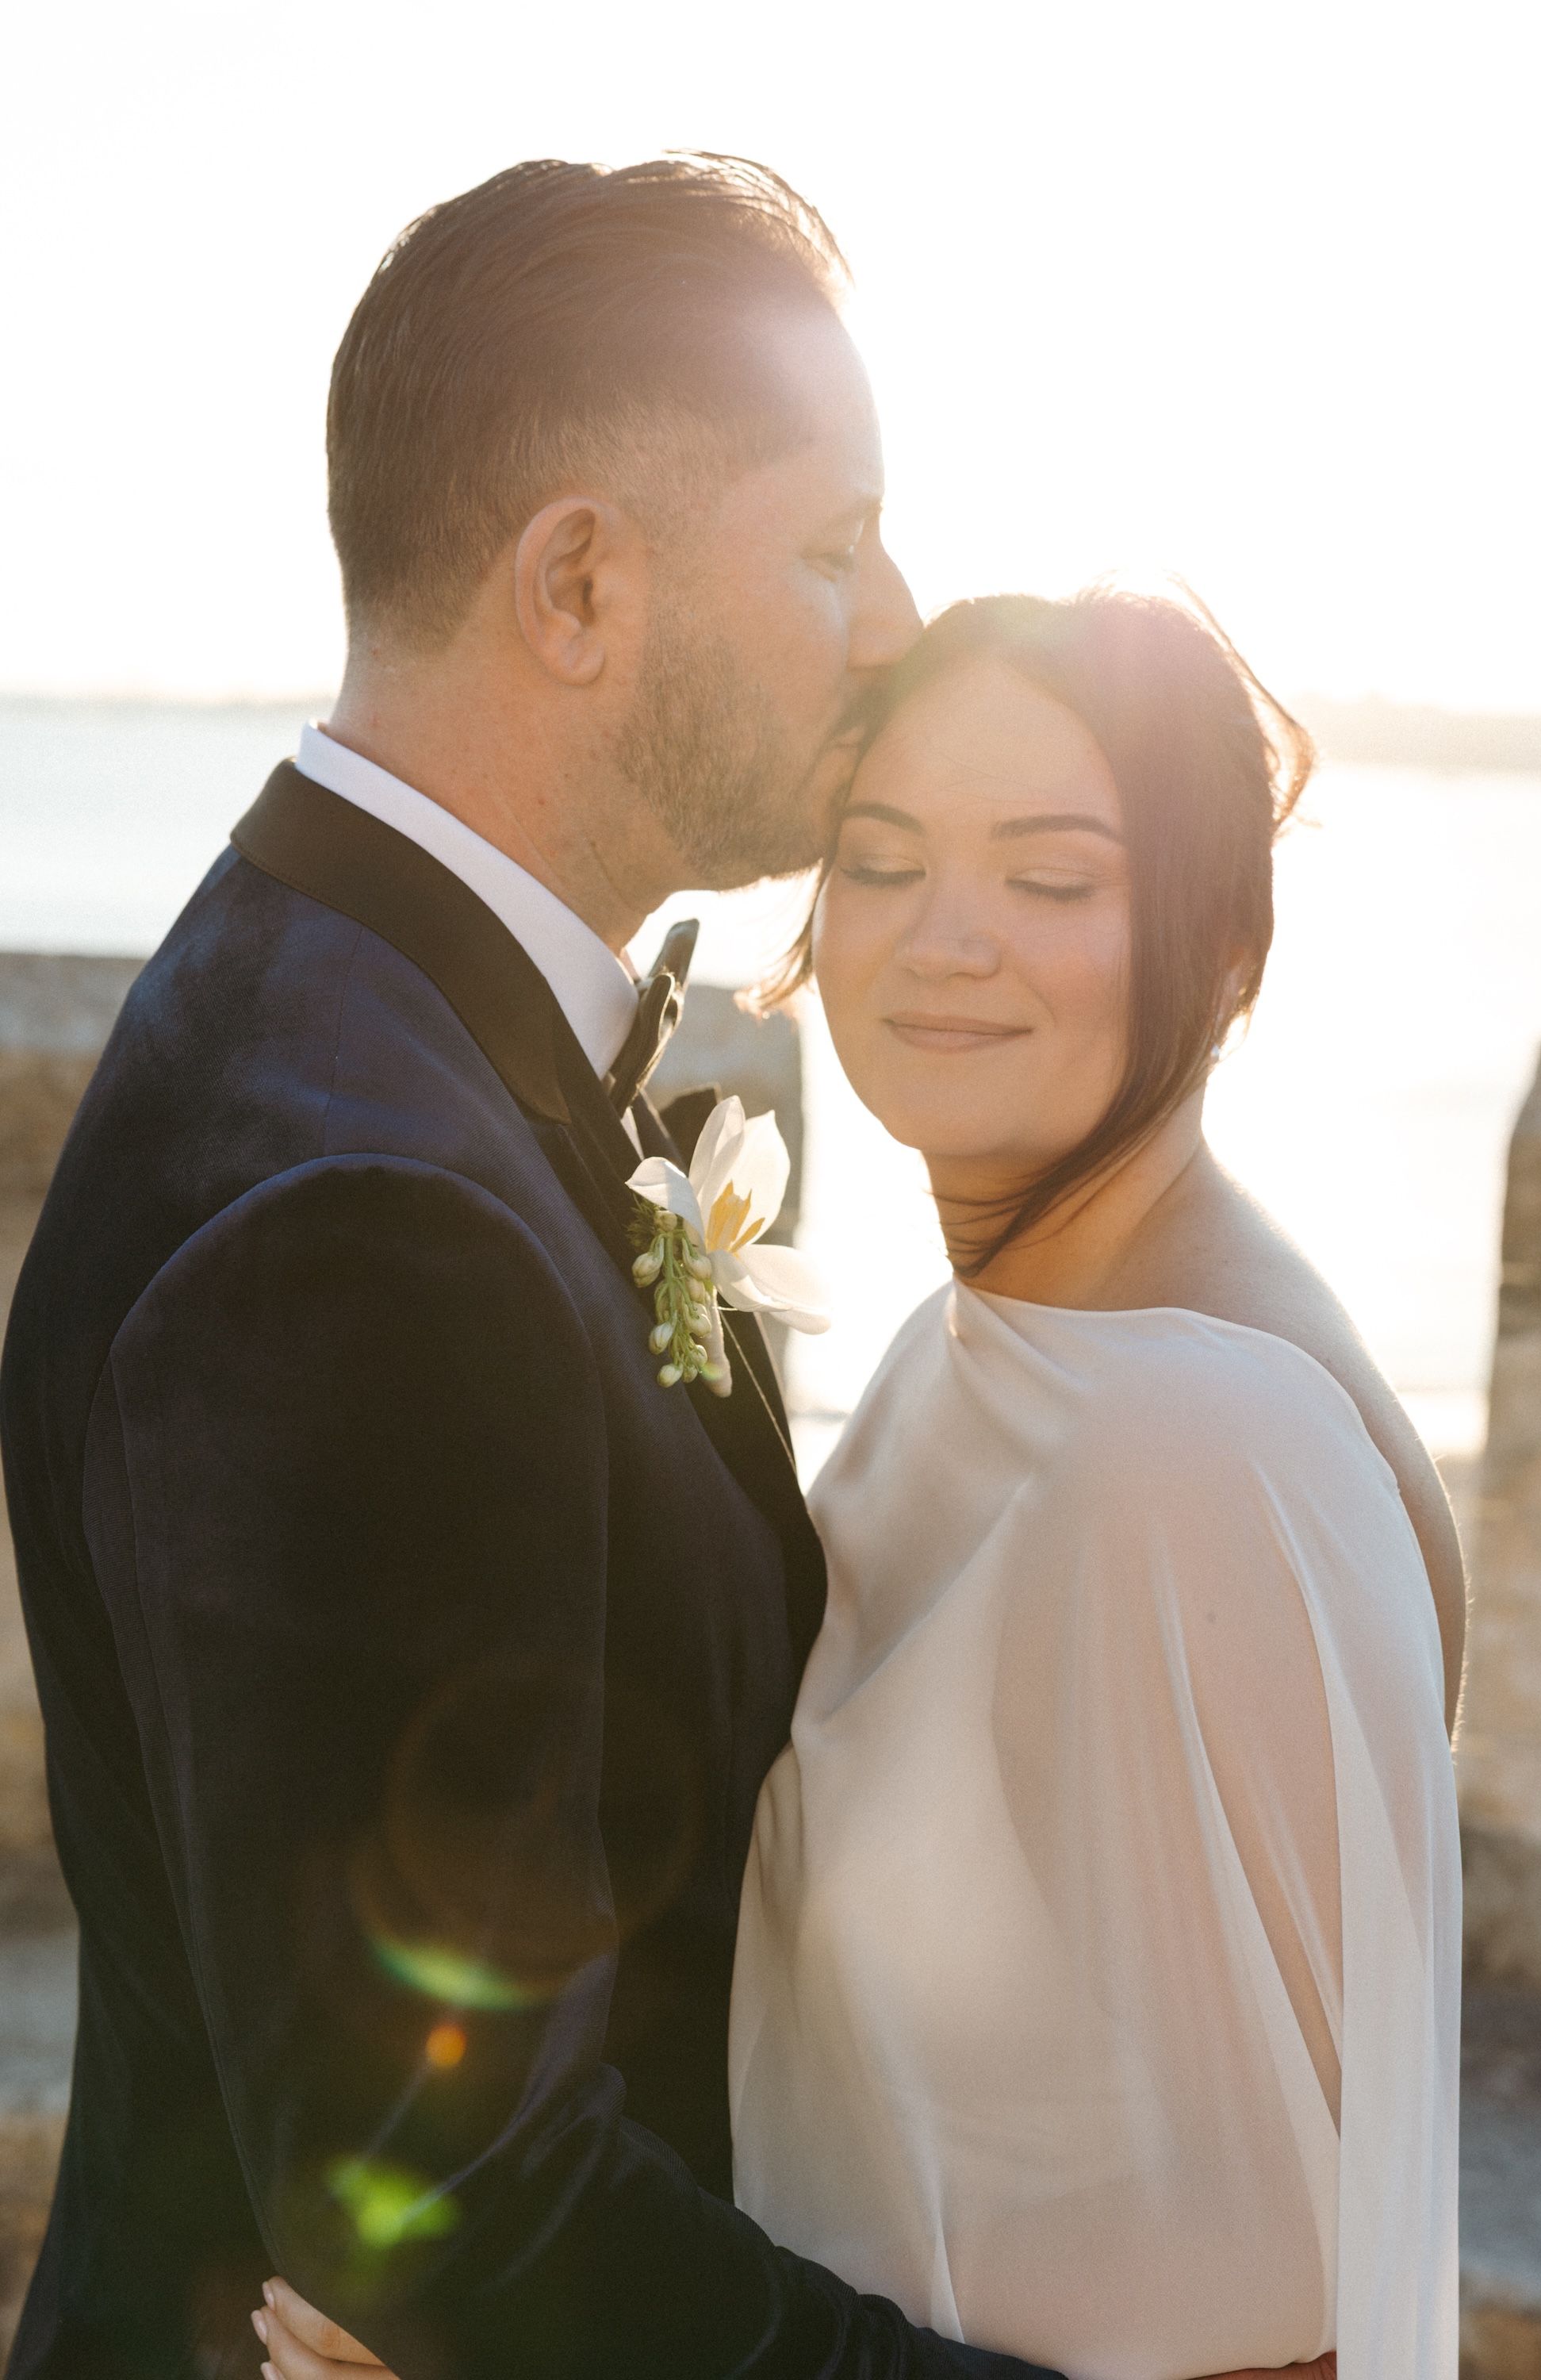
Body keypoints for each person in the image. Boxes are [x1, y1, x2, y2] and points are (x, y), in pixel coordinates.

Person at [2, 153, 1085, 2380]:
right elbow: (454, 2218)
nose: (895, 617)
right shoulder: (357, 1218)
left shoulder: (379, 1020)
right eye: (826, 541)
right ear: (577, 584)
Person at [254, 594, 1456, 2380]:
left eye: (1050, 880)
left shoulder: (1187, 1451)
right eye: (880, 860)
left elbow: (1271, 2339)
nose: (941, 941)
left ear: (1226, 945)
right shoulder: (976, 1348)